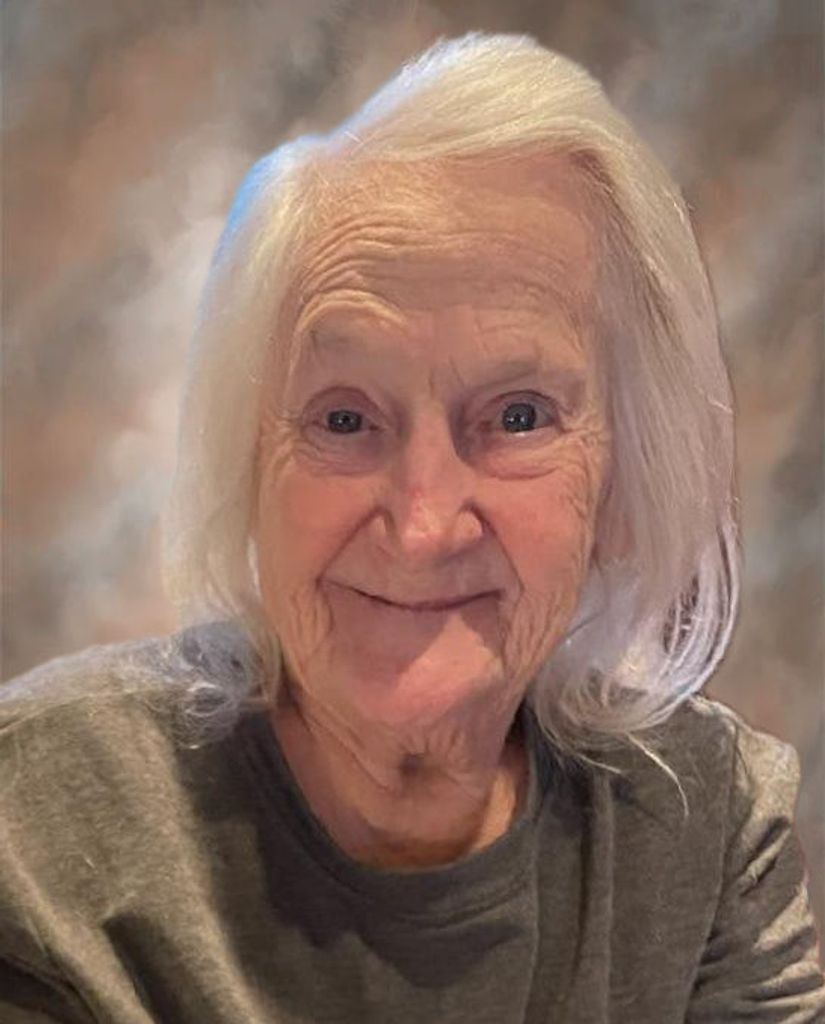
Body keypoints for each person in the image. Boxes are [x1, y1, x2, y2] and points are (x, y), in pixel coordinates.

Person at [1, 31, 823, 1024]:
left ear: (622, 472)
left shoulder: (706, 822)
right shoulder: (32, 824)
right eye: (345, 420)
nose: (424, 525)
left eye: (517, 416)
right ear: (249, 465)